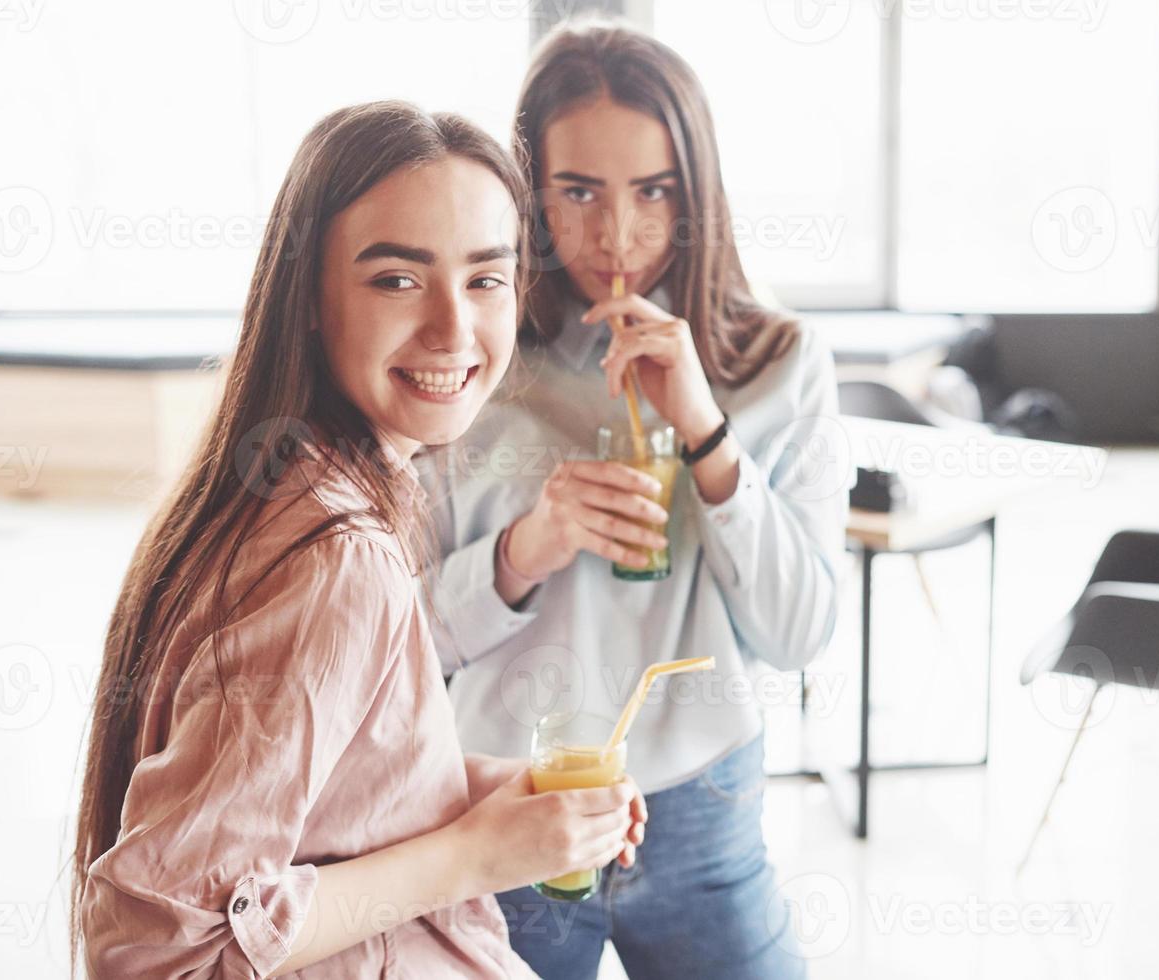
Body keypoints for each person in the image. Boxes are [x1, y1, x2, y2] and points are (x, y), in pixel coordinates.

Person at [72, 101, 644, 978]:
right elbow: (157, 953)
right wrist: (473, 855)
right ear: (305, 298)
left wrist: (464, 795)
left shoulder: (296, 487)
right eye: (397, 280)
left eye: (486, 279)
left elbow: (307, 810)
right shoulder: (337, 558)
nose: (454, 330)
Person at [421, 23, 844, 979]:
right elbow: (402, 646)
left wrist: (706, 434)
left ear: (697, 193)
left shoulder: (779, 363)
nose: (617, 236)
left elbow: (802, 634)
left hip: (703, 806)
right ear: (531, 197)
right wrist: (525, 548)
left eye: (653, 192)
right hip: (505, 803)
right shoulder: (467, 359)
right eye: (578, 193)